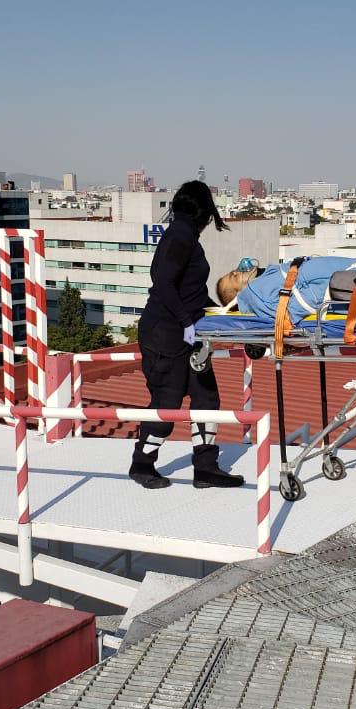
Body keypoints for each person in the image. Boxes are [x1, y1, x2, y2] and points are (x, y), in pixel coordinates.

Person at [130, 180, 244, 490]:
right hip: (165, 334)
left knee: (206, 397)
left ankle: (206, 467)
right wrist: (185, 322)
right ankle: (142, 463)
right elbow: (163, 283)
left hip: (188, 334)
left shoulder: (185, 236)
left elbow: (193, 293)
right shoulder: (180, 236)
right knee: (167, 402)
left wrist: (230, 316)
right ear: (204, 212)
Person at [215, 255, 356, 317]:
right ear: (240, 293)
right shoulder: (259, 293)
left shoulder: (272, 277)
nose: (236, 272)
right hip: (355, 276)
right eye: (232, 277)